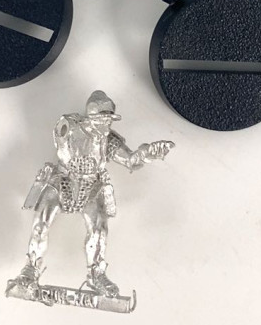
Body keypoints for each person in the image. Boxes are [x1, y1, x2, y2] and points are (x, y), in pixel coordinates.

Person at [10, 90, 173, 297]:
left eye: (109, 120)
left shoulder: (108, 139)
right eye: (103, 120)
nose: (107, 124)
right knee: (41, 224)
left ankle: (96, 274)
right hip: (62, 181)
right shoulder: (69, 128)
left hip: (91, 187)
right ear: (91, 118)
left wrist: (148, 153)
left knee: (99, 230)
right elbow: (64, 150)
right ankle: (30, 269)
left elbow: (131, 160)